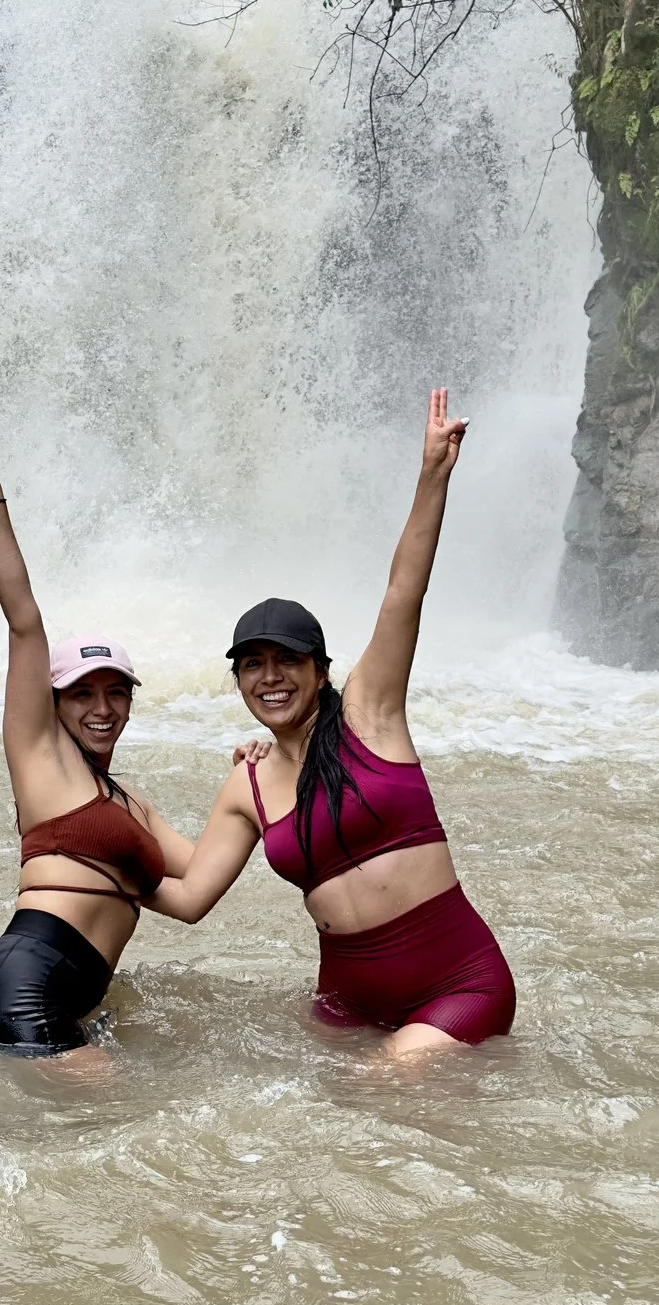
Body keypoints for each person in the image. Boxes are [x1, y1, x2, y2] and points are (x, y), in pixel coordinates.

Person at [153, 387, 516, 1060]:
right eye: (252, 665)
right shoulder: (248, 782)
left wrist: (433, 474)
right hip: (345, 1003)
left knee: (385, 1081)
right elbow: (190, 895)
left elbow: (404, 590)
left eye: (287, 661)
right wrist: (100, 830)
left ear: (320, 670)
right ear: (237, 682)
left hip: (457, 982)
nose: (270, 676)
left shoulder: (368, 715)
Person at [0, 455, 195, 1055]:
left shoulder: (130, 804)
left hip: (37, 998)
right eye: (81, 693)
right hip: (21, 994)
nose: (102, 708)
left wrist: (265, 776)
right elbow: (25, 622)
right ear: (53, 704)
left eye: (116, 691)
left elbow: (198, 886)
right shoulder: (40, 758)